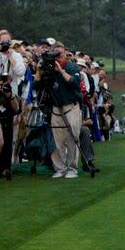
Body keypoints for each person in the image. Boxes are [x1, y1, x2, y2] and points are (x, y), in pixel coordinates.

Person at [34, 42, 82, 178]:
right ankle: (60, 168)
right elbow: (37, 85)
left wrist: (61, 71)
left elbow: (73, 82)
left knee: (72, 136)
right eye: (56, 54)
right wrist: (39, 71)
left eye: (60, 54)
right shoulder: (49, 68)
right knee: (57, 139)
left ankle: (72, 168)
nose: (59, 57)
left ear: (65, 54)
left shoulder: (71, 67)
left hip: (70, 105)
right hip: (56, 106)